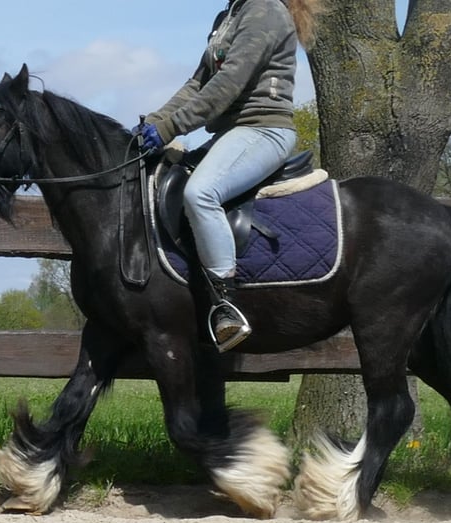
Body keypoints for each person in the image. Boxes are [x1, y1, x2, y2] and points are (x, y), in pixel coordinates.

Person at [138, 0, 324, 351]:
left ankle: (226, 306)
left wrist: (170, 128)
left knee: (201, 194)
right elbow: (197, 83)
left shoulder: (265, 10)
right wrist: (153, 121)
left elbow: (228, 84)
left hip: (263, 130)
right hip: (229, 134)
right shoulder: (228, 16)